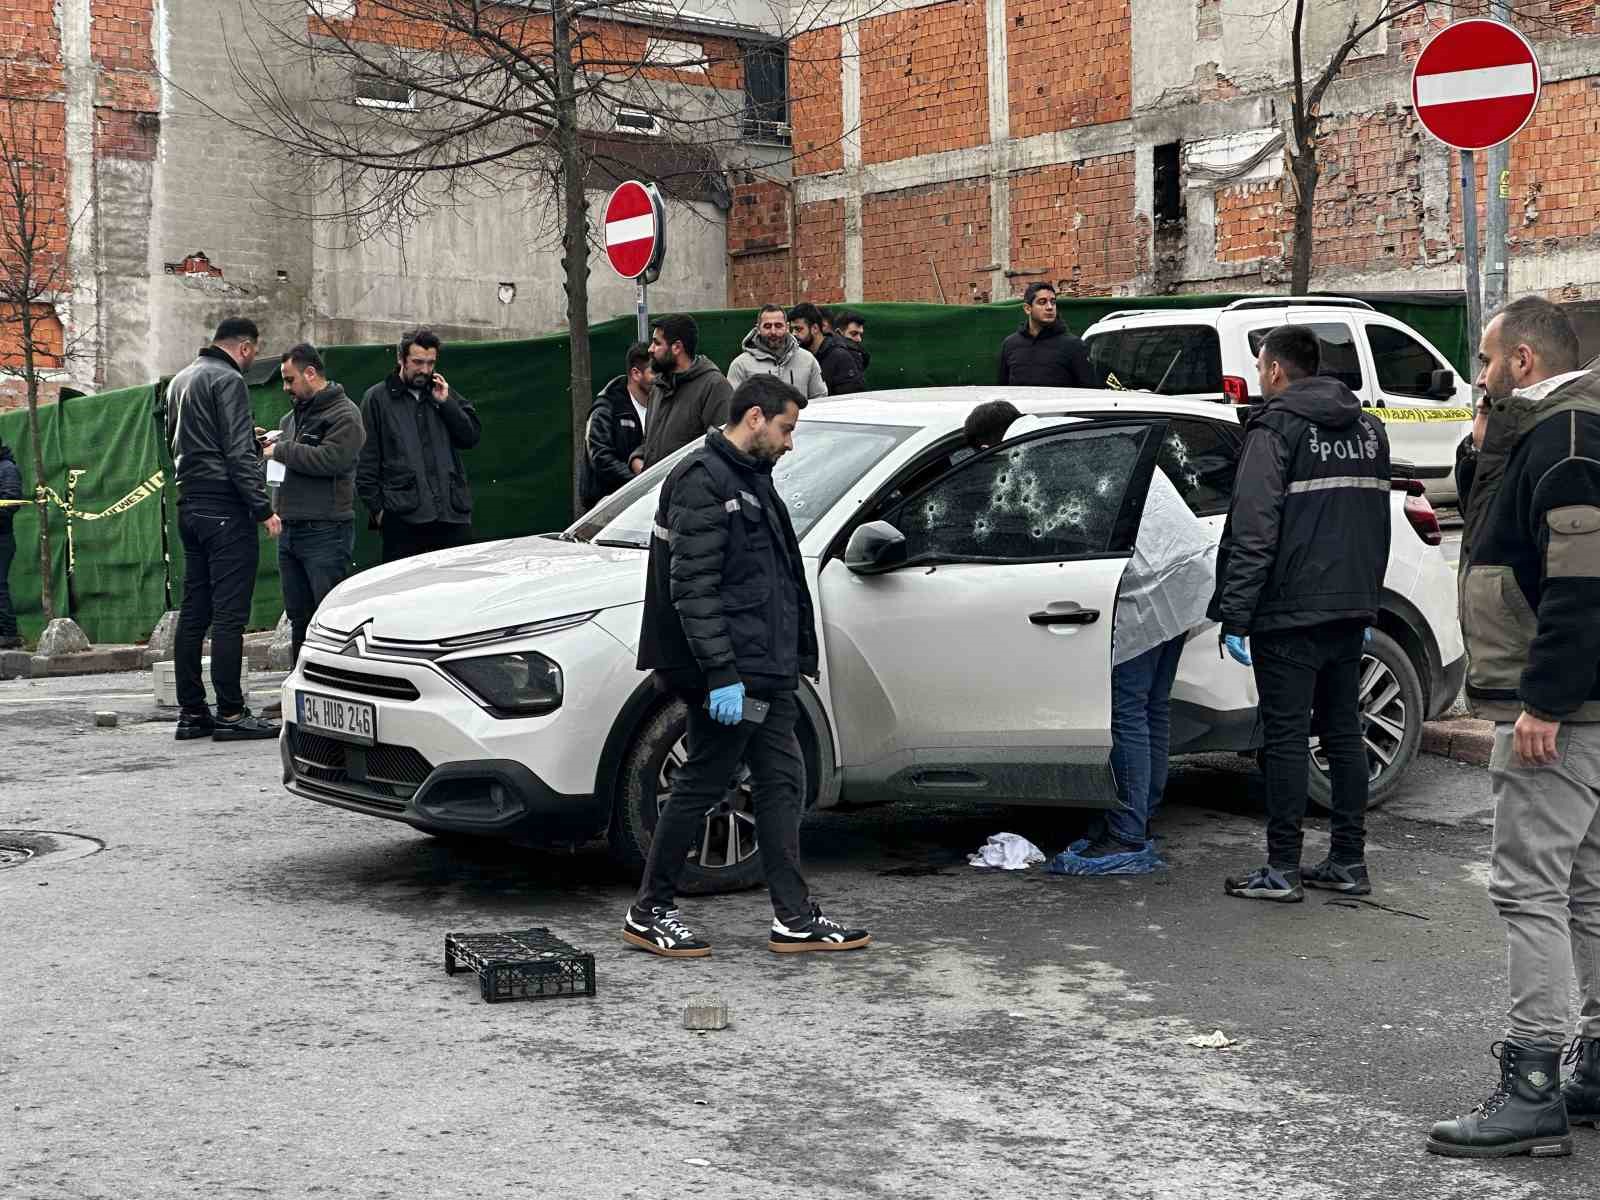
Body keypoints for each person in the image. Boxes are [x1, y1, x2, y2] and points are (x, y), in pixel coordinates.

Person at [1429, 298, 1600, 1160]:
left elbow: (1582, 584)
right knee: (1589, 889)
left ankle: (1532, 1087)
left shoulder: (1567, 442)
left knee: (1529, 889)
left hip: (1561, 710)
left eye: (1489, 361)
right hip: (1584, 705)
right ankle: (1598, 1070)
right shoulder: (1556, 431)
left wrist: (1545, 701)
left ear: (1524, 362)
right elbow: (1499, 521)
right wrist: (1487, 434)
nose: (1480, 377)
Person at [623, 374, 869, 958]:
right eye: (786, 429)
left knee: (781, 785)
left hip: (766, 669)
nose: (790, 443)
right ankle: (649, 910)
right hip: (730, 674)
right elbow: (694, 589)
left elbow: (770, 580)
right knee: (704, 781)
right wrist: (722, 675)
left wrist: (794, 659)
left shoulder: (749, 479)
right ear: (754, 418)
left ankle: (793, 917)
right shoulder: (703, 480)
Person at [1209, 324, 1390, 903]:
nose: (1260, 376)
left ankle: (1283, 869)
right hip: (1348, 608)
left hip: (1287, 613)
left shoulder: (1276, 429)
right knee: (1343, 731)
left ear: (1276, 371)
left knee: (1285, 738)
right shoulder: (1368, 429)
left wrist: (1235, 614)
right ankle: (1348, 862)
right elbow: (1374, 523)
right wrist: (1367, 598)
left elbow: (1253, 531)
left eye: (1261, 366)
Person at [165, 316, 281, 742]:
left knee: (195, 611)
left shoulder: (180, 380)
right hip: (225, 507)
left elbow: (177, 443)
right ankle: (232, 713)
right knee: (230, 615)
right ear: (246, 348)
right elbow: (235, 453)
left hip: (190, 502)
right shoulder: (228, 380)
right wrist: (261, 508)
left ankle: (192, 713)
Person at [268, 344, 366, 666]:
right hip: (290, 530)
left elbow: (330, 460)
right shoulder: (290, 418)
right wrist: (269, 446)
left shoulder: (345, 415)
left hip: (325, 531)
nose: (286, 388)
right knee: (299, 618)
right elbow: (284, 465)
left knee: (329, 621)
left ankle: (335, 690)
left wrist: (281, 450)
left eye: (289, 379)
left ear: (311, 373)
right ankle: (301, 687)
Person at [356, 328, 481, 562]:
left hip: (451, 515)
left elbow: (471, 437)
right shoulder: (376, 399)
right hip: (403, 519)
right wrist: (379, 512)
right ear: (401, 359)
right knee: (406, 593)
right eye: (417, 362)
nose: (425, 370)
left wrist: (447, 404)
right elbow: (366, 462)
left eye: (430, 362)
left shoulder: (442, 391)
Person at [636, 314, 734, 469]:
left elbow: (724, 450)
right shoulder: (658, 387)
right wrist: (638, 458)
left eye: (656, 343)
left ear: (677, 347)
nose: (650, 349)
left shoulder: (714, 386)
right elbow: (650, 442)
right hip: (656, 490)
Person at [581, 342, 654, 510]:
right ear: (636, 374)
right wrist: (639, 483)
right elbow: (600, 456)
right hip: (609, 506)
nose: (660, 377)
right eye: (654, 372)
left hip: (645, 502)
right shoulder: (606, 408)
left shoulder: (661, 404)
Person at [997, 282, 1101, 388]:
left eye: (1053, 302)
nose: (1050, 307)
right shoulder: (1010, 344)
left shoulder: (1073, 346)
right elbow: (1003, 389)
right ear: (1027, 309)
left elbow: (1090, 392)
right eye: (1042, 302)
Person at [727, 304, 827, 400]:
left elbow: (820, 400)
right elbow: (732, 408)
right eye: (767, 326)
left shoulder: (808, 360)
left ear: (787, 327)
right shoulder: (741, 365)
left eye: (778, 326)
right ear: (758, 329)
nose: (773, 331)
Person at [789, 301, 865, 396]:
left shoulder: (840, 357)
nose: (794, 334)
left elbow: (849, 399)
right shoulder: (799, 355)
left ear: (815, 328)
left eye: (798, 329)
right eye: (792, 329)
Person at [0, 436, 21, 649]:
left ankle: (9, 634)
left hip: (2, 537)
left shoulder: (7, 469)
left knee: (0, 585)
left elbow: (11, 502)